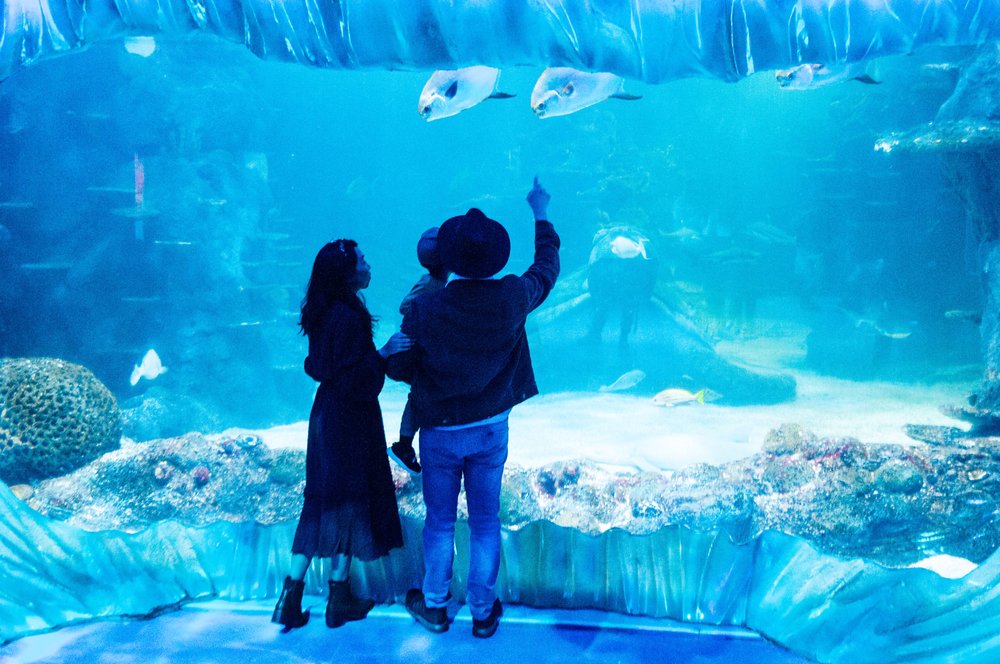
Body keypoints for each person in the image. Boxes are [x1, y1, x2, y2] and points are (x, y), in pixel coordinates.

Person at [388, 178, 560, 639]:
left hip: (441, 432)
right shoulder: (511, 297)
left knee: (441, 522)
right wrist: (540, 214)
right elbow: (546, 268)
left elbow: (404, 369)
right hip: (490, 429)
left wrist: (390, 353)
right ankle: (483, 613)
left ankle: (437, 606)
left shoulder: (426, 307)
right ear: (494, 256)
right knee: (486, 521)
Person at [272, 239, 410, 630]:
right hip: (350, 422)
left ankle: (290, 597)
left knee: (320, 503)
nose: (369, 265)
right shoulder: (349, 316)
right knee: (349, 503)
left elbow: (322, 365)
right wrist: (382, 355)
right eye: (362, 260)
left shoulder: (322, 311)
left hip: (326, 418)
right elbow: (358, 379)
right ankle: (338, 597)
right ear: (346, 273)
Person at [387, 227, 450, 475]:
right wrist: (427, 308)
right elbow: (405, 306)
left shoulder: (439, 283)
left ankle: (405, 445)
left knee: (420, 393)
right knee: (420, 393)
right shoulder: (430, 283)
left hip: (420, 348)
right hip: (411, 350)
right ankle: (403, 445)